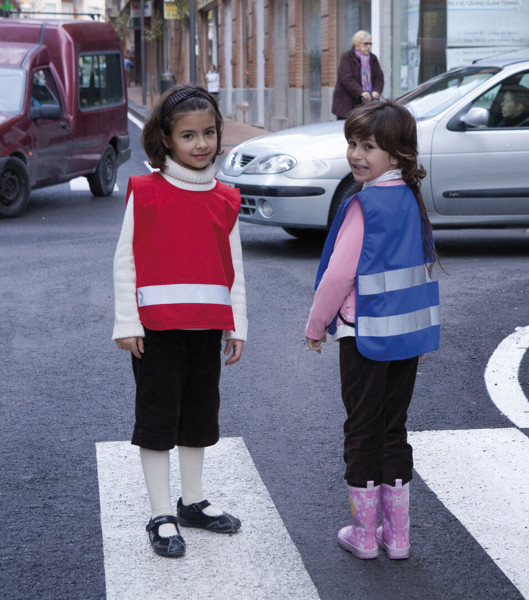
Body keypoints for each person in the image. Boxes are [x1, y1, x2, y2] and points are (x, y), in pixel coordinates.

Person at [112, 84, 247, 558]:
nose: (201, 144)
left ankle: (192, 502)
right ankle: (160, 513)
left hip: (206, 331)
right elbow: (126, 259)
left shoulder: (225, 198)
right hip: (156, 333)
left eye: (209, 132)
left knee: (197, 417)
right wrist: (126, 321)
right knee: (157, 420)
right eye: (188, 135)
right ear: (167, 139)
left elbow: (233, 270)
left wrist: (237, 325)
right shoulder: (146, 192)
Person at [305, 101, 440, 560]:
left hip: (362, 338)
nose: (356, 154)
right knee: (393, 429)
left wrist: (316, 324)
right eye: (352, 143)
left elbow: (339, 276)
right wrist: (420, 334)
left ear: (397, 155)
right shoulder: (411, 199)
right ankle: (397, 537)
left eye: (368, 147)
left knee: (361, 430)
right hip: (405, 337)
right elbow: (421, 272)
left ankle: (364, 535)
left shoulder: (363, 206)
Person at [332, 30, 384, 120]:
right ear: (357, 45)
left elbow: (379, 78)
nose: (368, 46)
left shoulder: (373, 58)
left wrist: (376, 91)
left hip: (366, 106)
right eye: (365, 44)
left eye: (370, 44)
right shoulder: (347, 57)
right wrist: (361, 92)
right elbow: (347, 79)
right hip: (347, 105)